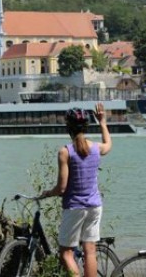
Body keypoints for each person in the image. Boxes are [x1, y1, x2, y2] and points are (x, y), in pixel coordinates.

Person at [39, 102, 112, 277]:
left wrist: (48, 193)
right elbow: (108, 144)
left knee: (65, 253)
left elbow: (62, 187)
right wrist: (102, 122)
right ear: (86, 127)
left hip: (74, 207)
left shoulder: (65, 152)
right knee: (90, 251)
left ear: (68, 127)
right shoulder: (96, 148)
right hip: (95, 206)